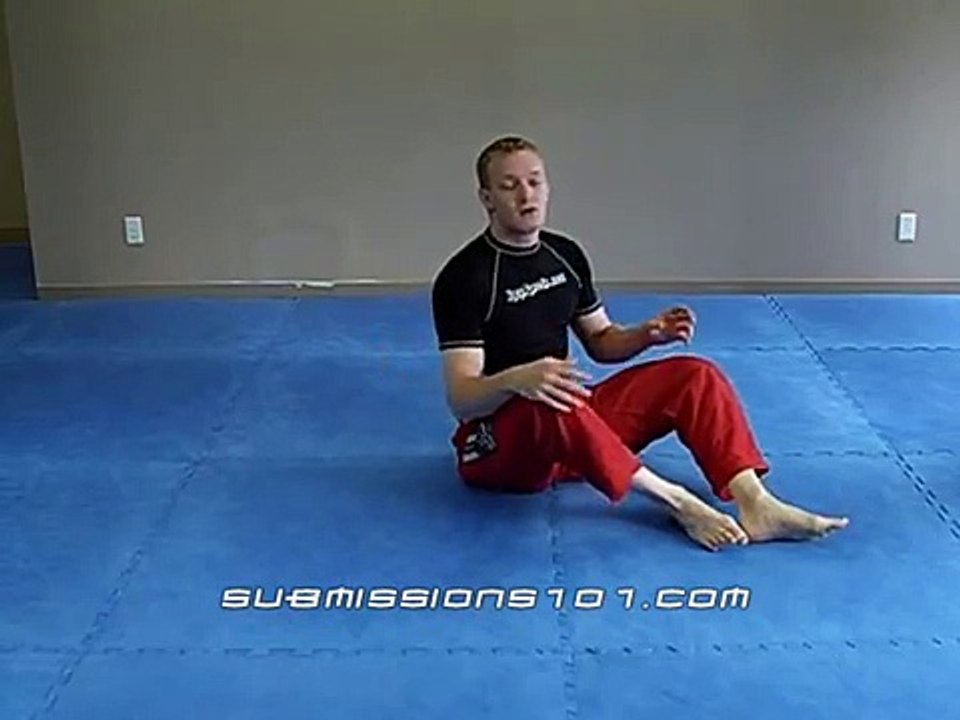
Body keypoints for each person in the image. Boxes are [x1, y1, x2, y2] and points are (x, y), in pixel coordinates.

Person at [429, 135, 848, 551]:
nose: (526, 195)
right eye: (510, 186)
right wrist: (516, 380)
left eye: (535, 182)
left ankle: (756, 503)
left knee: (695, 376)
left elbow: (601, 341)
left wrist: (647, 334)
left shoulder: (565, 255)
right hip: (499, 447)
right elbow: (462, 399)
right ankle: (678, 502)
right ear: (487, 198)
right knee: (550, 400)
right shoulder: (464, 278)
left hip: (575, 435)